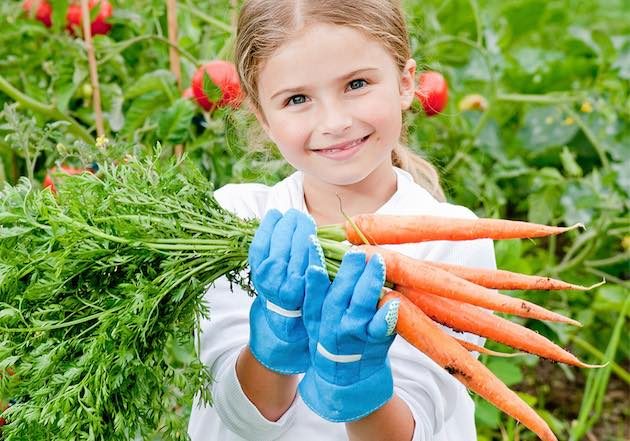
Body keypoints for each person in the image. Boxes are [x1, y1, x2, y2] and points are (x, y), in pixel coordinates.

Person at [187, 0, 496, 440]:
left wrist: (356, 383)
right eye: (297, 99)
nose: (334, 122)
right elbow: (239, 419)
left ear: (405, 83)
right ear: (262, 116)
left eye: (356, 84)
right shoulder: (236, 222)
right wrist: (272, 341)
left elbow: (415, 427)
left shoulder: (455, 242)